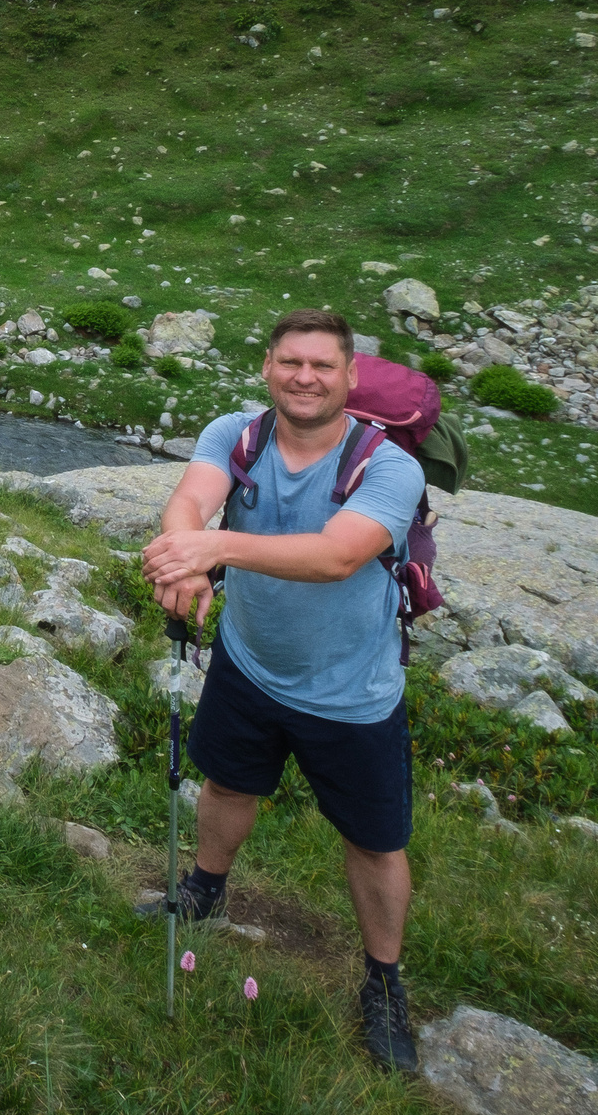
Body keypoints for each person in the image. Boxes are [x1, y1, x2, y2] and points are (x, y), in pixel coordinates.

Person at [137, 307, 427, 1073]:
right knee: (227, 782)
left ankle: (383, 981)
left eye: (323, 365)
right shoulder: (237, 435)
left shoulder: (389, 468)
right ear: (267, 366)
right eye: (291, 362)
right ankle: (205, 891)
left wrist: (213, 546)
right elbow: (190, 500)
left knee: (374, 840)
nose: (305, 377)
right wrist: (188, 556)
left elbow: (337, 556)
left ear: (351, 375)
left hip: (353, 691)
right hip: (249, 661)